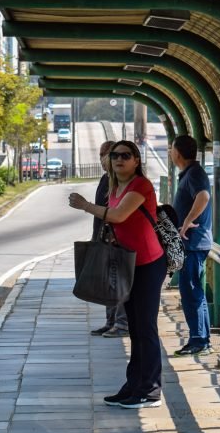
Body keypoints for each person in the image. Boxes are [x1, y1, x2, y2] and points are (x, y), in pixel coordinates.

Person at [68, 141, 167, 408]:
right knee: (134, 326)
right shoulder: (115, 185)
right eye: (115, 156)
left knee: (145, 327)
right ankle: (133, 384)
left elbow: (120, 216)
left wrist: (86, 205)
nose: (119, 160)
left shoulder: (140, 186)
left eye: (126, 155)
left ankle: (151, 390)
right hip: (129, 262)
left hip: (148, 264)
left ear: (136, 160)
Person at [168, 135, 212, 356]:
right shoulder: (190, 173)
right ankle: (201, 338)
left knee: (191, 290)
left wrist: (187, 221)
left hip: (193, 243)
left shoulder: (194, 173)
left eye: (171, 149)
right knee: (195, 291)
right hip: (193, 243)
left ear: (177, 153)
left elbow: (203, 196)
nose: (170, 153)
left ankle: (198, 340)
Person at [89, 141, 130, 338]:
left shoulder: (119, 181)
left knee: (117, 282)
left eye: (104, 156)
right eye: (101, 156)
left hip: (116, 238)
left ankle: (121, 324)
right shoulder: (106, 179)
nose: (101, 161)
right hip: (103, 237)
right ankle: (110, 321)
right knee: (108, 283)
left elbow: (115, 211)